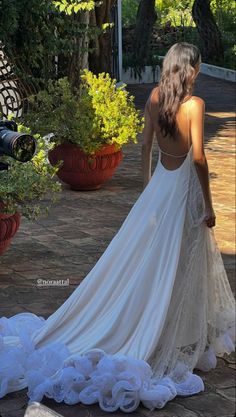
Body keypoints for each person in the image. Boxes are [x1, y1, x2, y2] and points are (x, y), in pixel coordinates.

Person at [0, 43, 235, 413]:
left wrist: (146, 190)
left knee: (152, 260)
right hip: (184, 191)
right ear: (190, 69)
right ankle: (168, 331)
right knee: (179, 262)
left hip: (159, 186)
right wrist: (208, 205)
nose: (201, 71)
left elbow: (144, 146)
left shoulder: (157, 97)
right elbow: (200, 160)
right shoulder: (194, 105)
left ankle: (163, 325)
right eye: (199, 66)